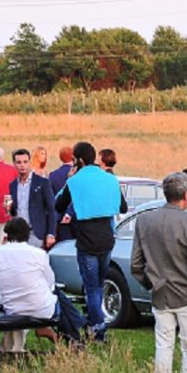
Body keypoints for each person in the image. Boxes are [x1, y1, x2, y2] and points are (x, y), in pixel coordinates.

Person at [131, 172, 187, 373]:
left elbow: (136, 265)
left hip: (160, 293)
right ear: (186, 195)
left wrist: (151, 284)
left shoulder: (144, 220)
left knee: (163, 344)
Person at [0, 217, 84, 344]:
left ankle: (78, 330)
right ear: (27, 235)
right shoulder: (38, 253)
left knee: (58, 299)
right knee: (59, 299)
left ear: (7, 234)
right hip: (41, 308)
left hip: (14, 308)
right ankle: (77, 337)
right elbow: (50, 282)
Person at [53, 141, 126, 339]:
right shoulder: (110, 179)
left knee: (92, 286)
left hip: (86, 240)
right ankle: (96, 321)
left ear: (79, 160)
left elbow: (58, 205)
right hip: (107, 238)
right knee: (99, 283)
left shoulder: (75, 181)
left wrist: (68, 181)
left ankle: (98, 328)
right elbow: (124, 207)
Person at [8, 149, 57, 249]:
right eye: (19, 162)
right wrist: (9, 208)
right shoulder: (13, 185)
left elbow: (51, 208)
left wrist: (51, 233)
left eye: (25, 162)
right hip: (18, 233)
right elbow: (15, 211)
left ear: (30, 163)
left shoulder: (42, 182)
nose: (22, 165)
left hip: (36, 232)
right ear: (14, 164)